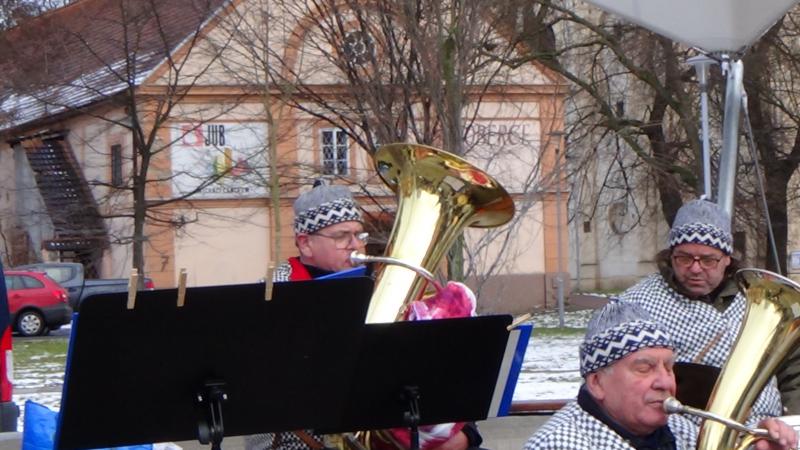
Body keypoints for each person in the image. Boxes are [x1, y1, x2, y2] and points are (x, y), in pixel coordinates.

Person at [246, 180, 482, 450]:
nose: (356, 245)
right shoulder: (276, 292)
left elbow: (427, 370)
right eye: (341, 236)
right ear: (306, 243)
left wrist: (465, 435)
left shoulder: (382, 286)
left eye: (359, 235)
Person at [524, 301, 797, 450]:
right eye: (644, 368)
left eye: (669, 367)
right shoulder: (555, 445)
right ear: (597, 383)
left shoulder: (679, 430)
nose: (666, 382)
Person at [617, 199, 786, 420]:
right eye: (684, 258)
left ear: (727, 259)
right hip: (676, 430)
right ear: (671, 256)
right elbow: (614, 384)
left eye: (708, 260)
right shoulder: (633, 306)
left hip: (766, 430)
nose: (695, 268)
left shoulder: (759, 299)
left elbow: (792, 368)